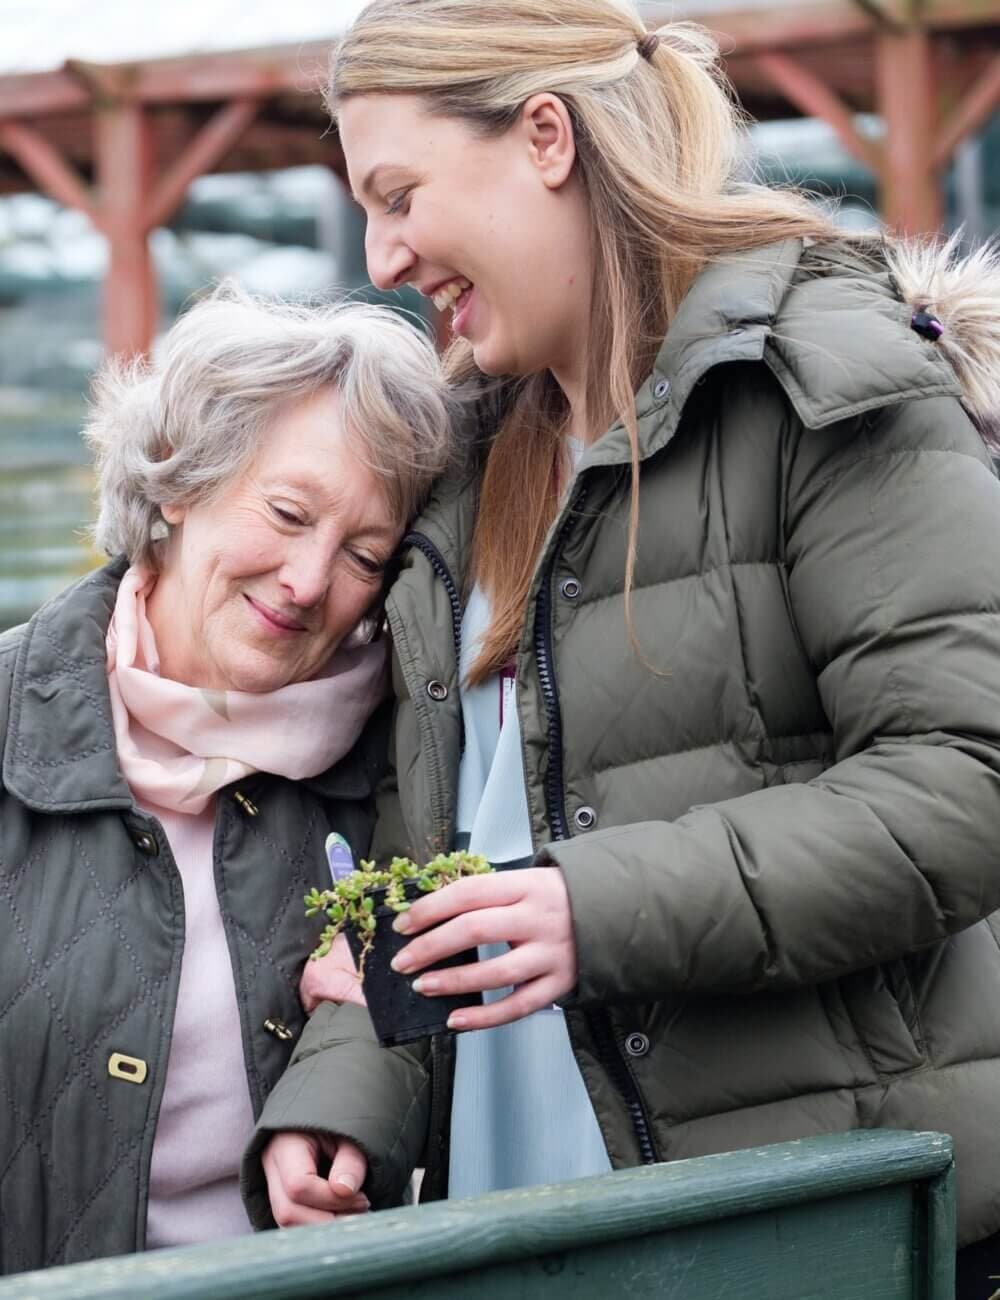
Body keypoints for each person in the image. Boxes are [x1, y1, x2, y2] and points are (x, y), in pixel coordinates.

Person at [247, 1, 1000, 1291]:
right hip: (539, 1229)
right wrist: (348, 1089)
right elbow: (438, 847)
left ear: (546, 137)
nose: (382, 253)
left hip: (811, 1232)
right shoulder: (464, 467)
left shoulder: (825, 375)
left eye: (399, 193)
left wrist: (591, 910)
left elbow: (966, 782)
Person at [0, 284, 453, 1274]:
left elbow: (435, 1033)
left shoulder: (402, 769)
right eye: (287, 512)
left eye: (362, 555)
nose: (305, 579)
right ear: (180, 483)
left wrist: (367, 1090)